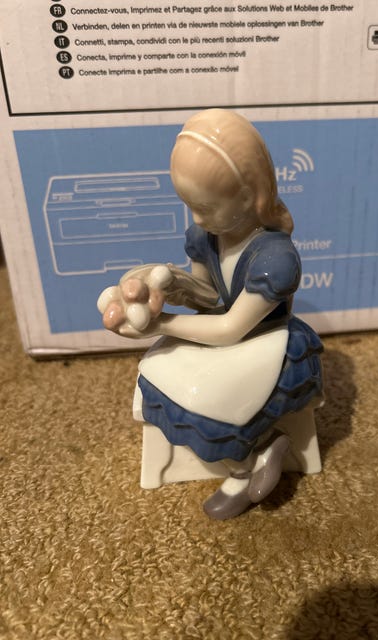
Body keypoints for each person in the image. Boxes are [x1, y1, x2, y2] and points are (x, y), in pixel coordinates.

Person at [98, 109, 323, 519]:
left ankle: (247, 462)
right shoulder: (205, 235)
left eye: (205, 207)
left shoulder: (275, 259)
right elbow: (208, 297)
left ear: (248, 198)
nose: (198, 218)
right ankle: (258, 451)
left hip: (266, 341)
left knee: (209, 398)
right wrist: (174, 284)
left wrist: (160, 324)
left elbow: (230, 327)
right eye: (190, 206)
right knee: (158, 372)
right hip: (223, 333)